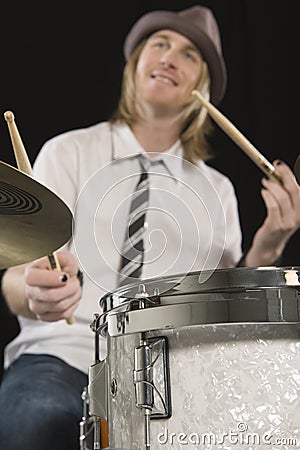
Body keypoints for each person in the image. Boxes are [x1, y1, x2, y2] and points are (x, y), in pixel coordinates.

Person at [0, 5, 299, 450]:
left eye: (190, 55)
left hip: (176, 375)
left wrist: (269, 246)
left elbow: (228, 310)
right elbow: (15, 282)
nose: (170, 57)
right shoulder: (66, 152)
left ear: (203, 89)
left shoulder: (216, 190)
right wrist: (35, 292)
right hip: (64, 354)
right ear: (134, 65)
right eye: (159, 44)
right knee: (37, 420)